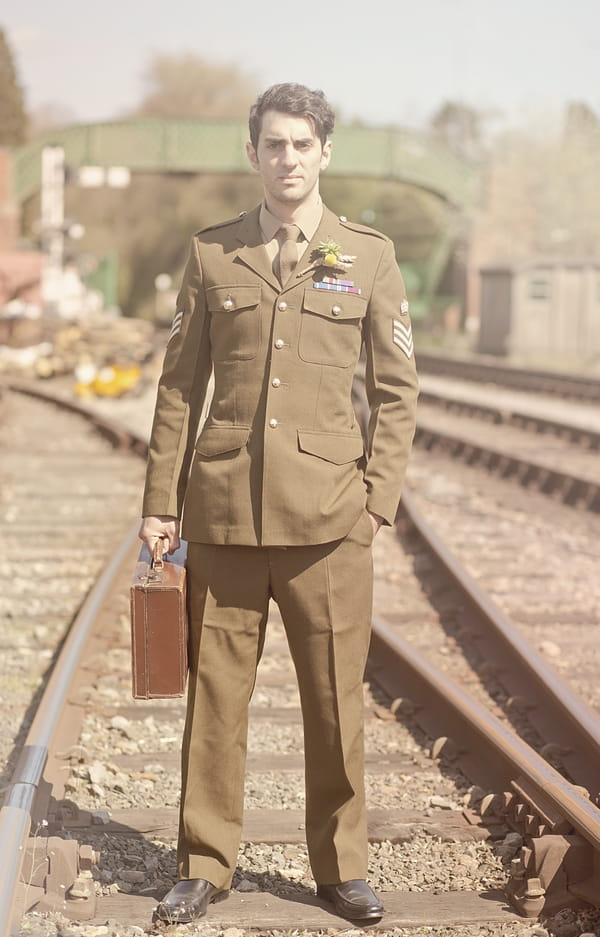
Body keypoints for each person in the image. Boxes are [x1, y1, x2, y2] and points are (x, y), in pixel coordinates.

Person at [139, 82, 418, 924]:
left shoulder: (367, 255)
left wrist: (376, 502)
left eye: (301, 144)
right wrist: (161, 503)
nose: (287, 158)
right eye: (273, 144)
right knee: (215, 702)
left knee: (335, 702)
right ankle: (206, 861)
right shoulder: (212, 254)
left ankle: (341, 866)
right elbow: (178, 389)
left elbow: (398, 391)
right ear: (252, 152)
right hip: (222, 516)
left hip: (331, 524)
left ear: (324, 152)